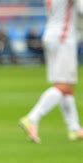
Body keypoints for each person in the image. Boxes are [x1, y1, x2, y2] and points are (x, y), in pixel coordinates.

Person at [20, 0, 83, 143]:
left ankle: (74, 129)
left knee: (68, 86)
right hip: (64, 37)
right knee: (63, 86)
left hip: (52, 33)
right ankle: (32, 118)